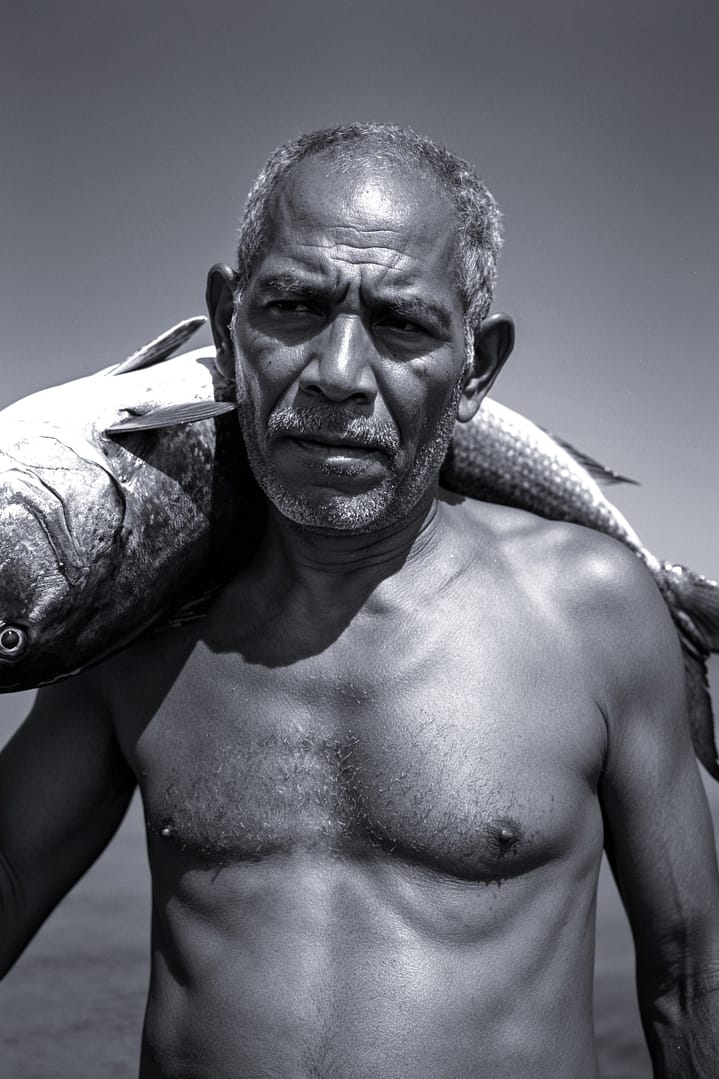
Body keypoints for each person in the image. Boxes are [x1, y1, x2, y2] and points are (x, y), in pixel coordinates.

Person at [1, 123, 718, 1078]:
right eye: (294, 306)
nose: (339, 375)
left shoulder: (594, 611)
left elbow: (689, 979)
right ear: (226, 321)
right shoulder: (135, 634)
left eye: (403, 324)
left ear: (477, 366)